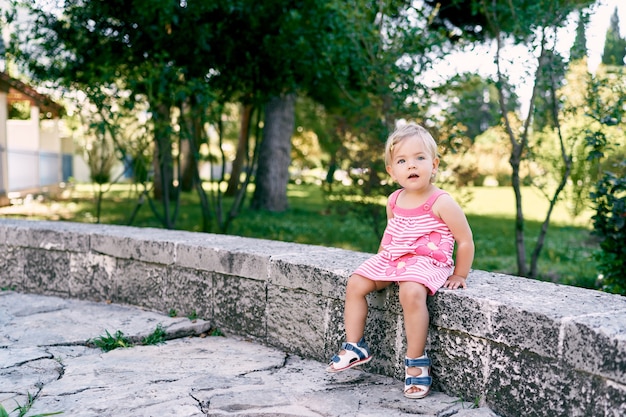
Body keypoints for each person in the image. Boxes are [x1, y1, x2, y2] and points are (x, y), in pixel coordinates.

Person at [326, 123, 474, 400]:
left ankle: (416, 361)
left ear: (434, 164)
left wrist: (460, 274)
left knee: (410, 291)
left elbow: (465, 240)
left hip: (427, 262)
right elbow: (391, 233)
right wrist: (381, 262)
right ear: (392, 171)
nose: (412, 165)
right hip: (396, 259)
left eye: (420, 158)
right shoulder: (394, 200)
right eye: (402, 161)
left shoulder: (441, 202)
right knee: (356, 282)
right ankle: (355, 345)